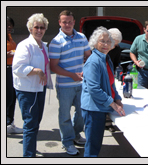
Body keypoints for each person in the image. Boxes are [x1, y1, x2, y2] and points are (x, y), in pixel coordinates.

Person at [49, 10, 91, 156]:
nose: (67, 24)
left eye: (70, 21)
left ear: (74, 22)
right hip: (65, 86)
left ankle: (75, 134)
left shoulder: (82, 37)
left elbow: (88, 57)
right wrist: (71, 75)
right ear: (60, 23)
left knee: (81, 114)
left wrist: (86, 70)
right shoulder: (55, 42)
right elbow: (53, 67)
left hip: (81, 84)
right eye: (64, 22)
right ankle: (67, 142)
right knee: (65, 115)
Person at [12, 13, 53, 157]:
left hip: (39, 88)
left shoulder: (43, 46)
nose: (39, 30)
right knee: (30, 124)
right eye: (36, 27)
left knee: (36, 122)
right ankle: (28, 156)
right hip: (28, 90)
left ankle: (30, 148)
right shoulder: (25, 45)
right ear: (30, 28)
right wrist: (36, 70)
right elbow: (17, 68)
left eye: (42, 27)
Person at [81, 26, 126, 157]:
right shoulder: (93, 61)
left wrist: (117, 99)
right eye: (102, 41)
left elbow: (110, 84)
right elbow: (94, 89)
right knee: (93, 146)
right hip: (93, 109)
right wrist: (112, 104)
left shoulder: (106, 59)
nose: (106, 44)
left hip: (100, 107)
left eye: (108, 41)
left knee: (96, 143)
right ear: (94, 43)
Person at [6, 16, 23, 134]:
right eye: (7, 25)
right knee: (7, 98)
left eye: (10, 25)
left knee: (12, 98)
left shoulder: (9, 37)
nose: (9, 27)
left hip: (12, 69)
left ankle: (10, 123)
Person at [105, 28, 123, 132]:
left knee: (112, 95)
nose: (114, 46)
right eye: (113, 44)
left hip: (110, 75)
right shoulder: (99, 49)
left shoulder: (117, 48)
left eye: (116, 44)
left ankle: (108, 122)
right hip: (102, 75)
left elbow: (116, 63)